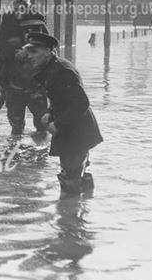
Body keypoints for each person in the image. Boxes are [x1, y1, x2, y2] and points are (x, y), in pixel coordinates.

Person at [23, 31, 103, 198]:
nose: (30, 56)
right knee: (79, 173)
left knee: (70, 177)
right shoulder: (53, 68)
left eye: (34, 51)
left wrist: (57, 124)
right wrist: (50, 113)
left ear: (49, 51)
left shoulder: (62, 71)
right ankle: (84, 209)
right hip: (74, 128)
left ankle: (69, 218)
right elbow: (64, 99)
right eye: (28, 51)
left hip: (76, 131)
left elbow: (81, 102)